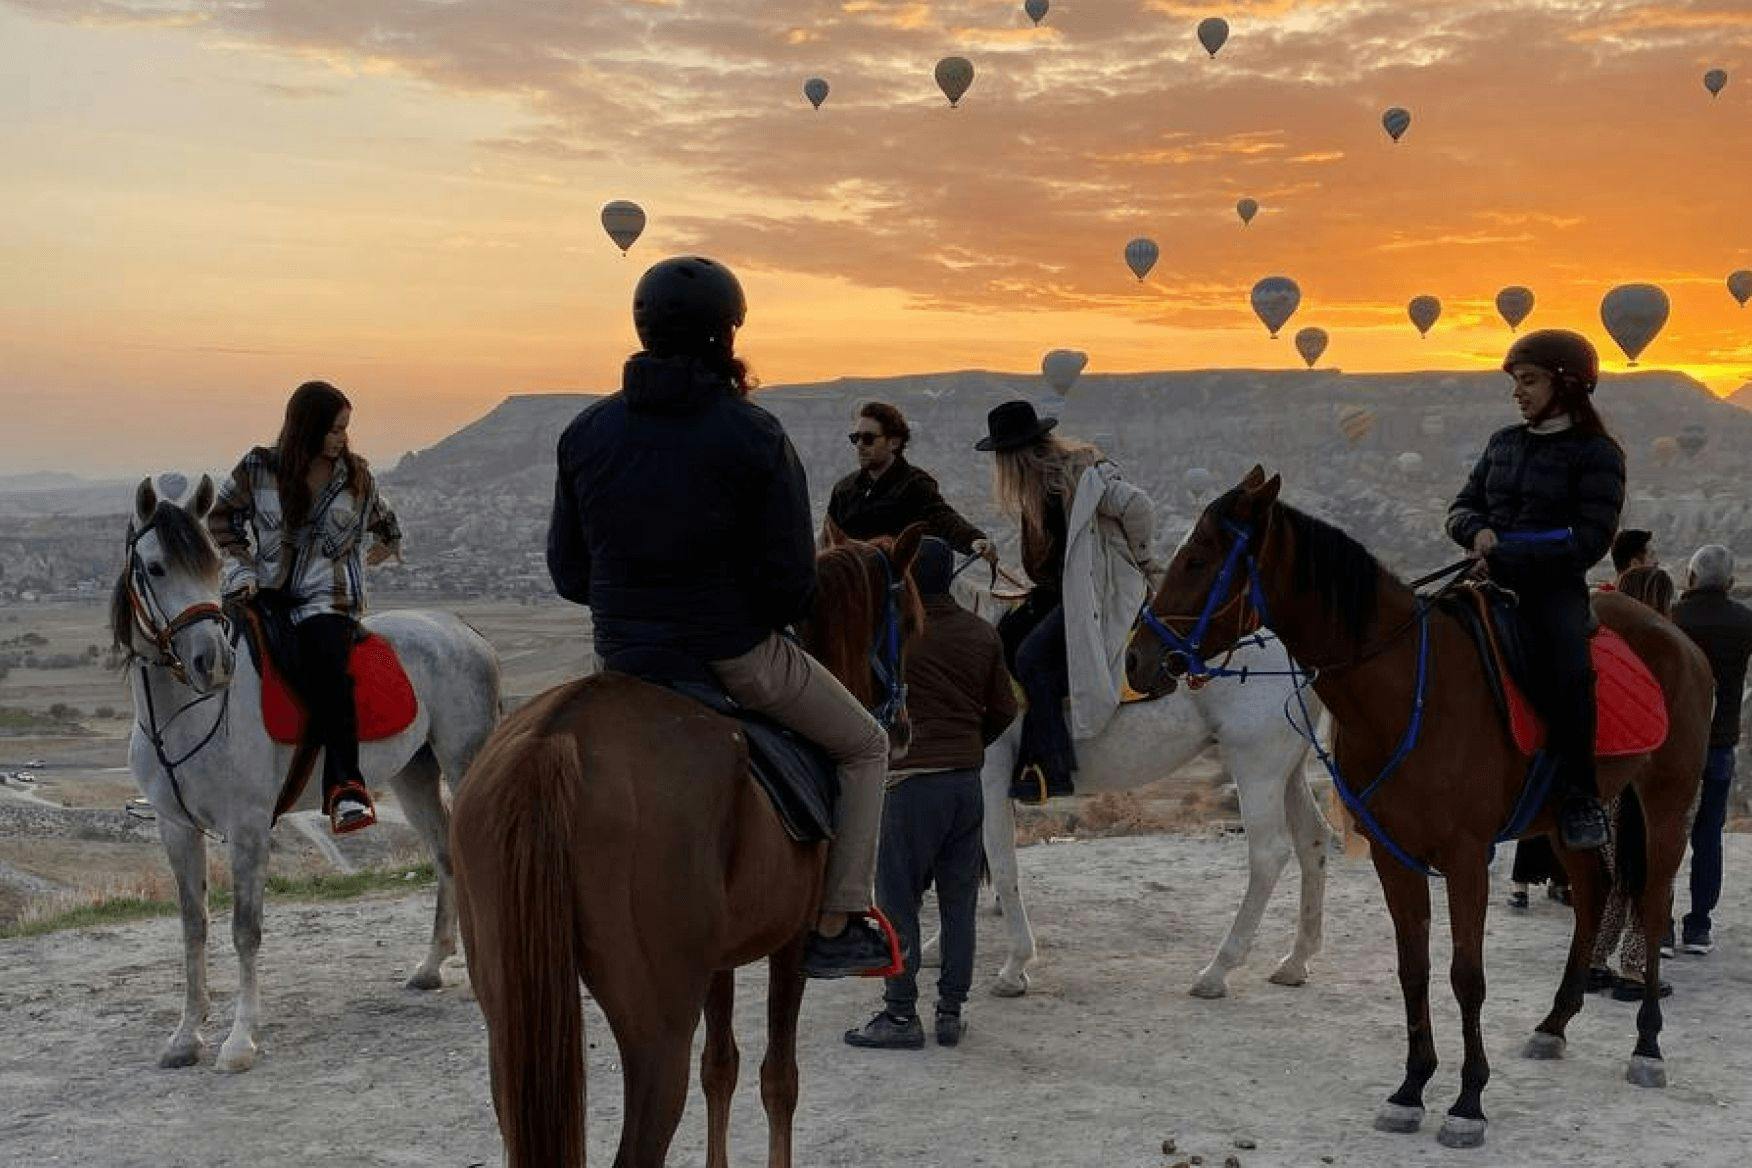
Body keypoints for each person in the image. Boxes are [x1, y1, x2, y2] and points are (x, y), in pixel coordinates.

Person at [546, 255, 892, 978]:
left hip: (626, 660)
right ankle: (839, 919)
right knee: (865, 746)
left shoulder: (584, 433)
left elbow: (569, 573)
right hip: (731, 654)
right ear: (726, 334)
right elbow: (792, 585)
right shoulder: (754, 434)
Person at [1447, 329, 1626, 852]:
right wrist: (1473, 531)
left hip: (1553, 591)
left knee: (1570, 669)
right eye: (1515, 384)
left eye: (1529, 381)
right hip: (1485, 581)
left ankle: (1581, 796)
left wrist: (1510, 551)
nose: (1518, 393)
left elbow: (1590, 539)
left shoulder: (1597, 453)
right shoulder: (1503, 443)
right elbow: (1461, 506)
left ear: (1567, 385)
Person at [844, 536, 1017, 1050]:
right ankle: (949, 1011)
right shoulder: (982, 633)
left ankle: (900, 1015)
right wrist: (967, 745)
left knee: (897, 901)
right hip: (965, 786)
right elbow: (1004, 711)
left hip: (908, 785)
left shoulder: (893, 635)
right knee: (958, 903)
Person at [208, 381, 403, 834]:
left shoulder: (357, 476)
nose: (342, 439)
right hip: (267, 593)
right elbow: (221, 518)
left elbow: (386, 522)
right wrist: (242, 568)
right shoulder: (258, 468)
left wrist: (385, 546)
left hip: (329, 599)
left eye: (345, 430)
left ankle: (347, 787)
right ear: (308, 427)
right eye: (335, 430)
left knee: (329, 676)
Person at [975, 401, 1162, 803]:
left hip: (1092, 594)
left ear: (1014, 455)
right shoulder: (1038, 490)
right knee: (999, 639)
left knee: (1031, 657)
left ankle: (1050, 766)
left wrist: (1141, 561)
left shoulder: (1079, 477)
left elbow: (1138, 506)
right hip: (1057, 592)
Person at [1589, 563, 1676, 998]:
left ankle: (1593, 959)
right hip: (1654, 778)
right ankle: (1633, 969)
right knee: (1652, 874)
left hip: (1606, 778)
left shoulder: (1606, 650)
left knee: (1616, 876)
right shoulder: (1670, 654)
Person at [1671, 545, 1752, 956]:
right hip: (1719, 742)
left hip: (1671, 745)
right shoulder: (1743, 621)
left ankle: (1659, 924)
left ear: (1689, 579)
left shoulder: (1671, 618)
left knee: (1662, 830)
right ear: (1731, 583)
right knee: (1709, 835)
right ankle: (1698, 926)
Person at [828, 401, 997, 563]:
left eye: (868, 438)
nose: (859, 445)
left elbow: (942, 519)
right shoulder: (844, 489)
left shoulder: (914, 485)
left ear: (894, 442)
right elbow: (828, 538)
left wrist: (973, 539)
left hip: (897, 585)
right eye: (855, 438)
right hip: (850, 585)